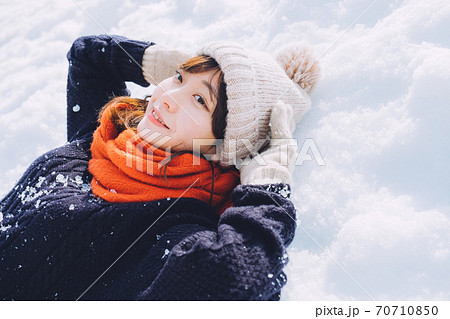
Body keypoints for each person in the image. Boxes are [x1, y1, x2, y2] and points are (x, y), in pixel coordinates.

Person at [0, 35, 319, 300]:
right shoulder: (104, 135)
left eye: (199, 100)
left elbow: (235, 277)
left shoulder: (177, 224)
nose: (167, 97)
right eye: (179, 77)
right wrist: (156, 61)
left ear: (220, 146)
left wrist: (266, 191)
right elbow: (88, 55)